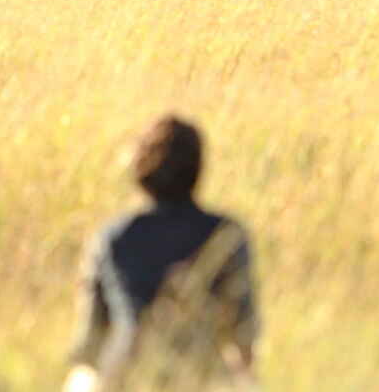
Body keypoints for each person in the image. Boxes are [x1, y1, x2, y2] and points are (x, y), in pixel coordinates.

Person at [65, 115, 260, 392]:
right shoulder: (226, 234)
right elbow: (243, 338)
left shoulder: (114, 238)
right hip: (202, 375)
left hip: (126, 376)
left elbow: (89, 345)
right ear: (197, 169)